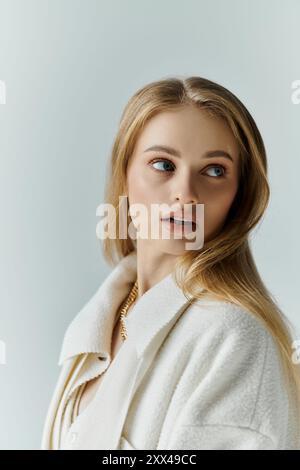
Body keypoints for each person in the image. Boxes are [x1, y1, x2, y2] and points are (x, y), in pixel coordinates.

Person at [41, 76, 300, 450]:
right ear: (125, 175)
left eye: (214, 171)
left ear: (238, 196)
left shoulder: (234, 339)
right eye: (163, 164)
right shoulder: (100, 323)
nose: (185, 194)